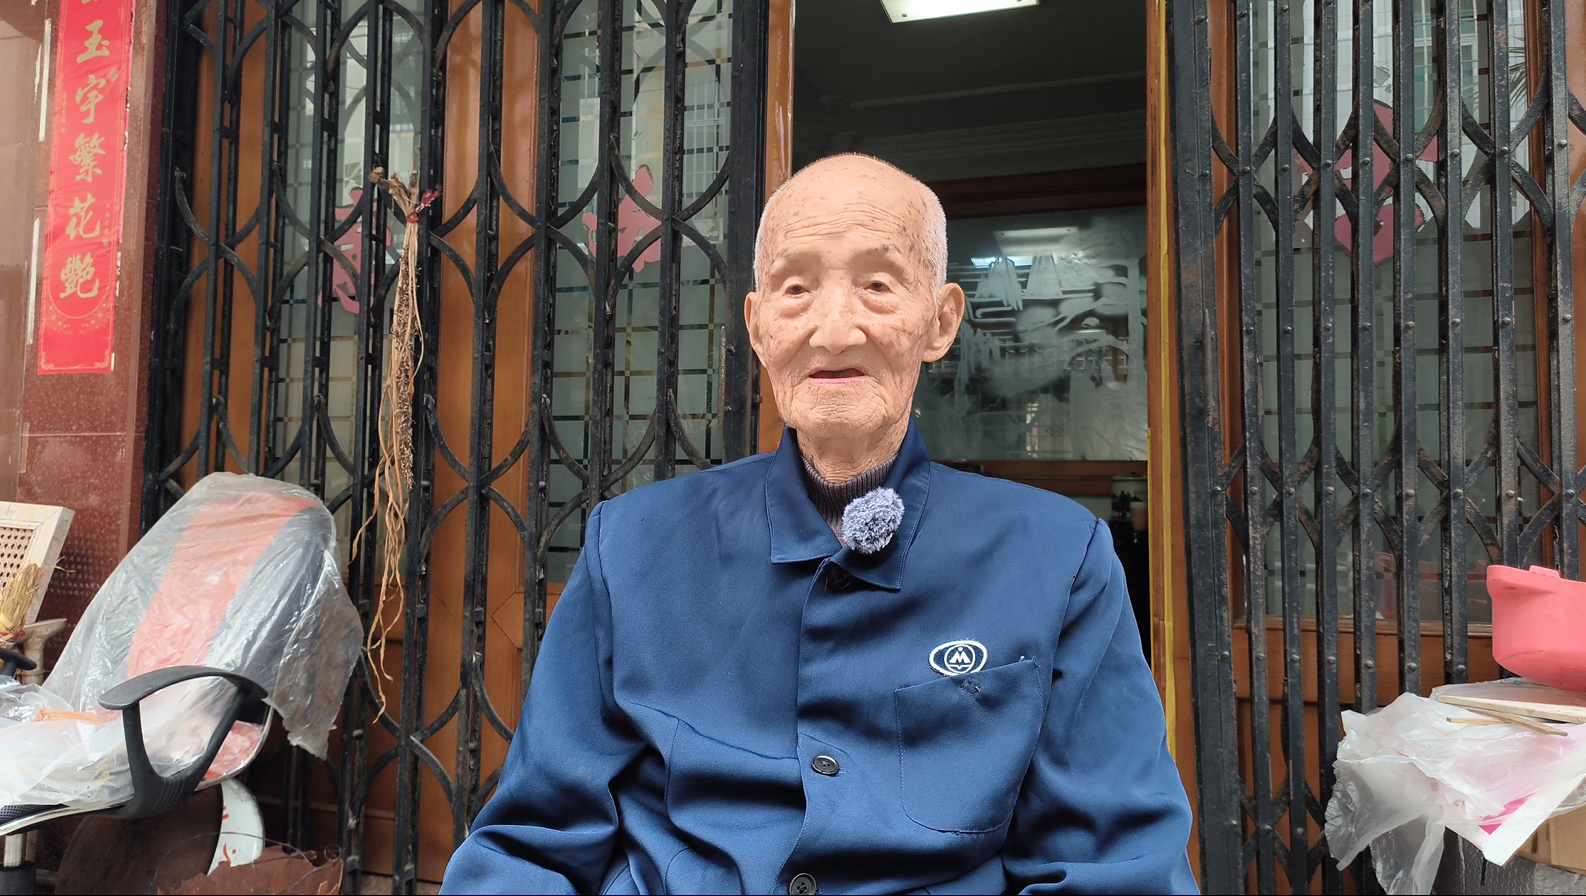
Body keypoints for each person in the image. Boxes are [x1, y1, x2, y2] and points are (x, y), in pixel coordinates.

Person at [440, 154, 1197, 895]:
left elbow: (1115, 865)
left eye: (877, 285)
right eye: (796, 288)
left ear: (941, 322)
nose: (834, 331)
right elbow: (532, 845)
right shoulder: (632, 545)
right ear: (758, 324)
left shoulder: (1056, 556)